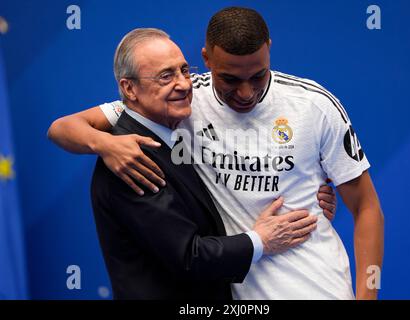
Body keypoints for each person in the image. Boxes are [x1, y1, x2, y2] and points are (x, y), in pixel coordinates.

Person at [48, 7, 383, 300]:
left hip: (317, 287)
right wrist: (105, 143)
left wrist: (366, 296)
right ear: (206, 59)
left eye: (258, 76)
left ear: (269, 51)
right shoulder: (182, 102)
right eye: (230, 79)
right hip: (234, 291)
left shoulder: (314, 106)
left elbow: (366, 207)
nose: (246, 92)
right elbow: (62, 127)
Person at [87, 28, 323, 300]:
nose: (184, 84)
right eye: (166, 76)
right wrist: (262, 240)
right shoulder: (130, 160)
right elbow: (190, 256)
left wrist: (309, 191)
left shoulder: (170, 137)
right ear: (129, 88)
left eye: (184, 71)